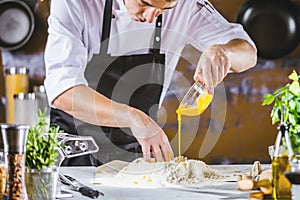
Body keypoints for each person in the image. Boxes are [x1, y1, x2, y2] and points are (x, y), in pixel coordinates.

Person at [44, 0, 257, 166]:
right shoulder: (75, 3)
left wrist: (224, 52)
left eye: (163, 9)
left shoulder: (186, 5)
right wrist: (134, 118)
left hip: (133, 154)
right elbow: (62, 90)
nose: (149, 16)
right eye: (144, 3)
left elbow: (248, 52)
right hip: (71, 151)